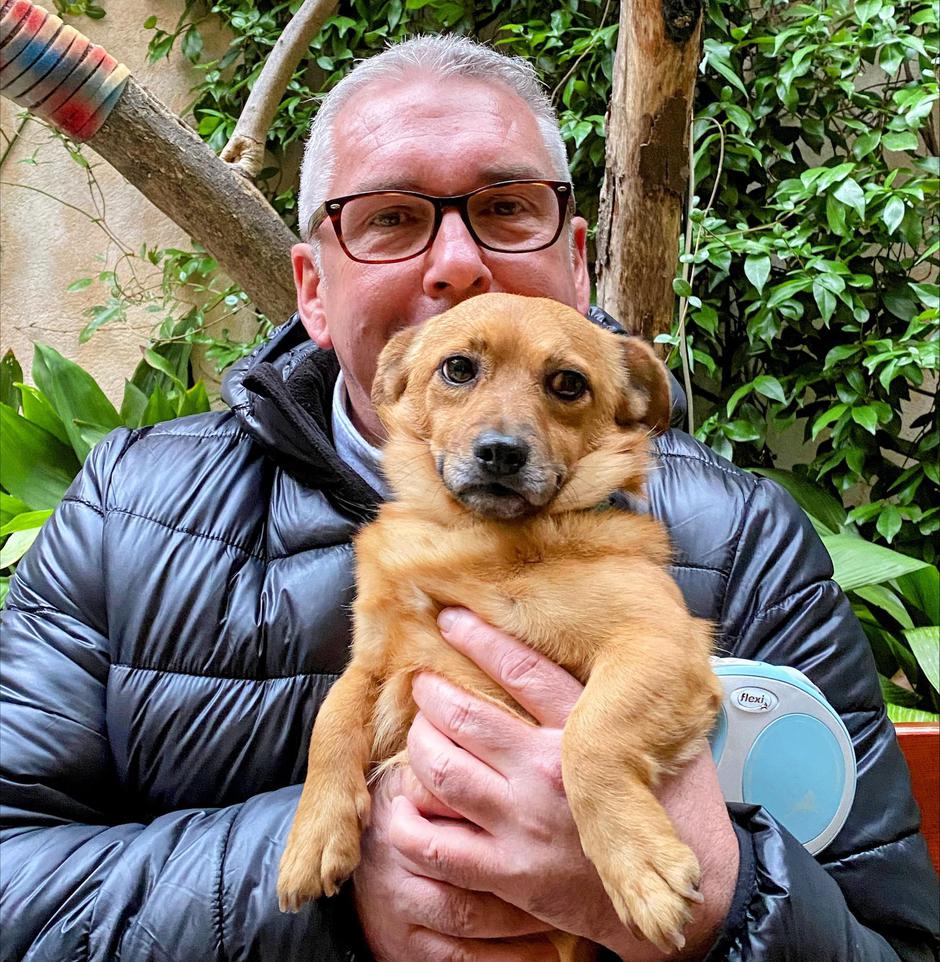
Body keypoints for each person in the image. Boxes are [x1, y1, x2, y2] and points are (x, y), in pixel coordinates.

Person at [1, 34, 937, 962]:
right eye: (391, 217)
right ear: (313, 290)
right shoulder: (123, 508)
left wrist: (725, 900)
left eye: (506, 207)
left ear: (578, 262)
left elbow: (893, 940)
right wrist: (341, 893)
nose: (457, 262)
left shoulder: (744, 540)